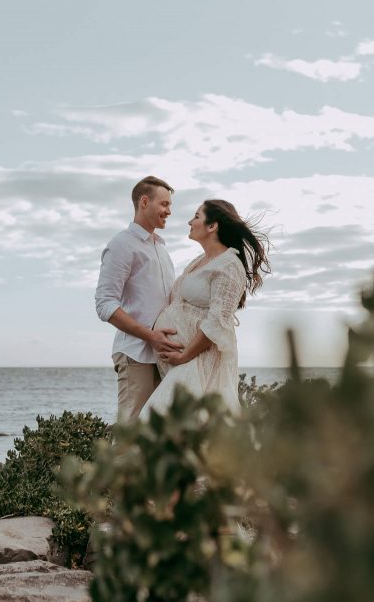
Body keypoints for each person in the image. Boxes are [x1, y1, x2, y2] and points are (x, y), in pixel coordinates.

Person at [140, 199, 270, 418]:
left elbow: (217, 322)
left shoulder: (229, 265)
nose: (190, 222)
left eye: (196, 216)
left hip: (197, 361)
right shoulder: (200, 260)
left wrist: (184, 356)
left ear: (212, 226)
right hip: (181, 361)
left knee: (163, 419)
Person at [95, 176, 185, 421]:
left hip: (164, 356)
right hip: (136, 355)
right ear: (144, 202)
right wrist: (150, 336)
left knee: (158, 434)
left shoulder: (161, 249)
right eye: (164, 204)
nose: (169, 211)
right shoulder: (121, 245)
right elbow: (104, 303)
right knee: (131, 431)